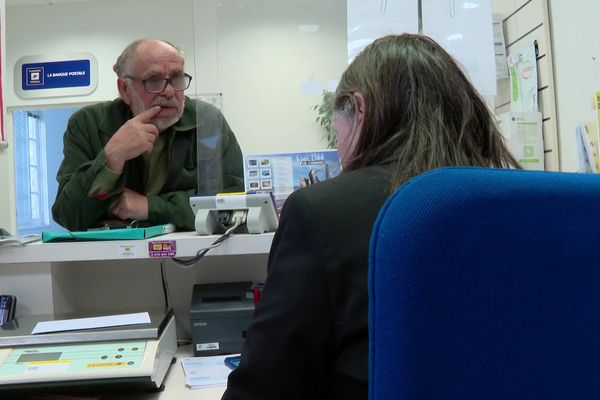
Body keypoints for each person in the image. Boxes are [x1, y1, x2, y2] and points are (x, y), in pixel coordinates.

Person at [221, 34, 520, 400]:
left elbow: (263, 390)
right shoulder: (517, 202)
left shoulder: (323, 212)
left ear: (358, 110)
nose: (339, 148)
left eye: (337, 132)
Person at [52, 39, 244, 231]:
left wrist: (150, 207)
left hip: (195, 251)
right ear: (124, 89)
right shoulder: (88, 124)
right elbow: (69, 215)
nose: (169, 91)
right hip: (112, 256)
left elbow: (235, 200)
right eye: (154, 80)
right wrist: (112, 157)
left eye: (177, 78)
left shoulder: (207, 121)